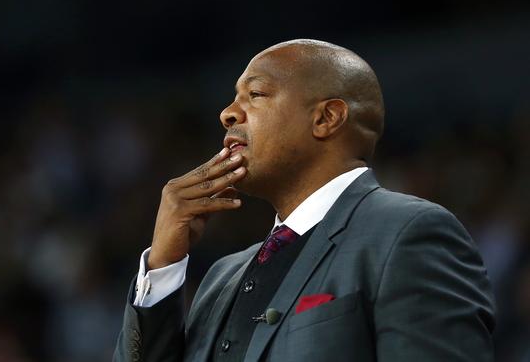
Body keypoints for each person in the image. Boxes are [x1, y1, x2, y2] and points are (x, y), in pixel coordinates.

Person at [113, 39, 496, 361]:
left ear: (326, 118)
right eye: (234, 99)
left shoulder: (406, 233)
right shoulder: (221, 278)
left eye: (256, 94)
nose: (228, 113)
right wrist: (163, 265)